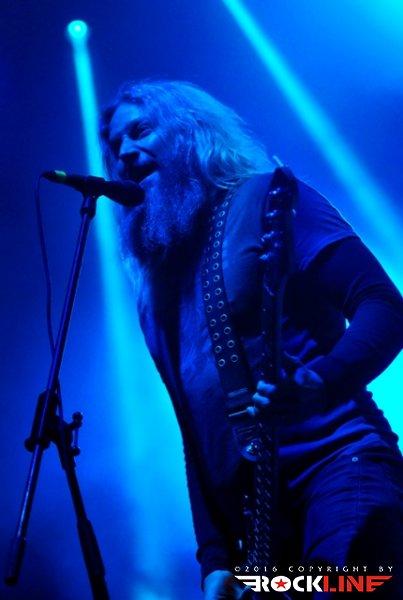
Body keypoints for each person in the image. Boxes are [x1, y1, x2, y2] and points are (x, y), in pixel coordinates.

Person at [100, 80, 403, 599]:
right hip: (262, 527)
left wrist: (318, 382)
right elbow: (195, 430)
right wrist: (215, 556)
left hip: (340, 469)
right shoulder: (154, 292)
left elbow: (383, 305)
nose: (125, 152)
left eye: (141, 131)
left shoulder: (267, 198)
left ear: (192, 132)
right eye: (115, 145)